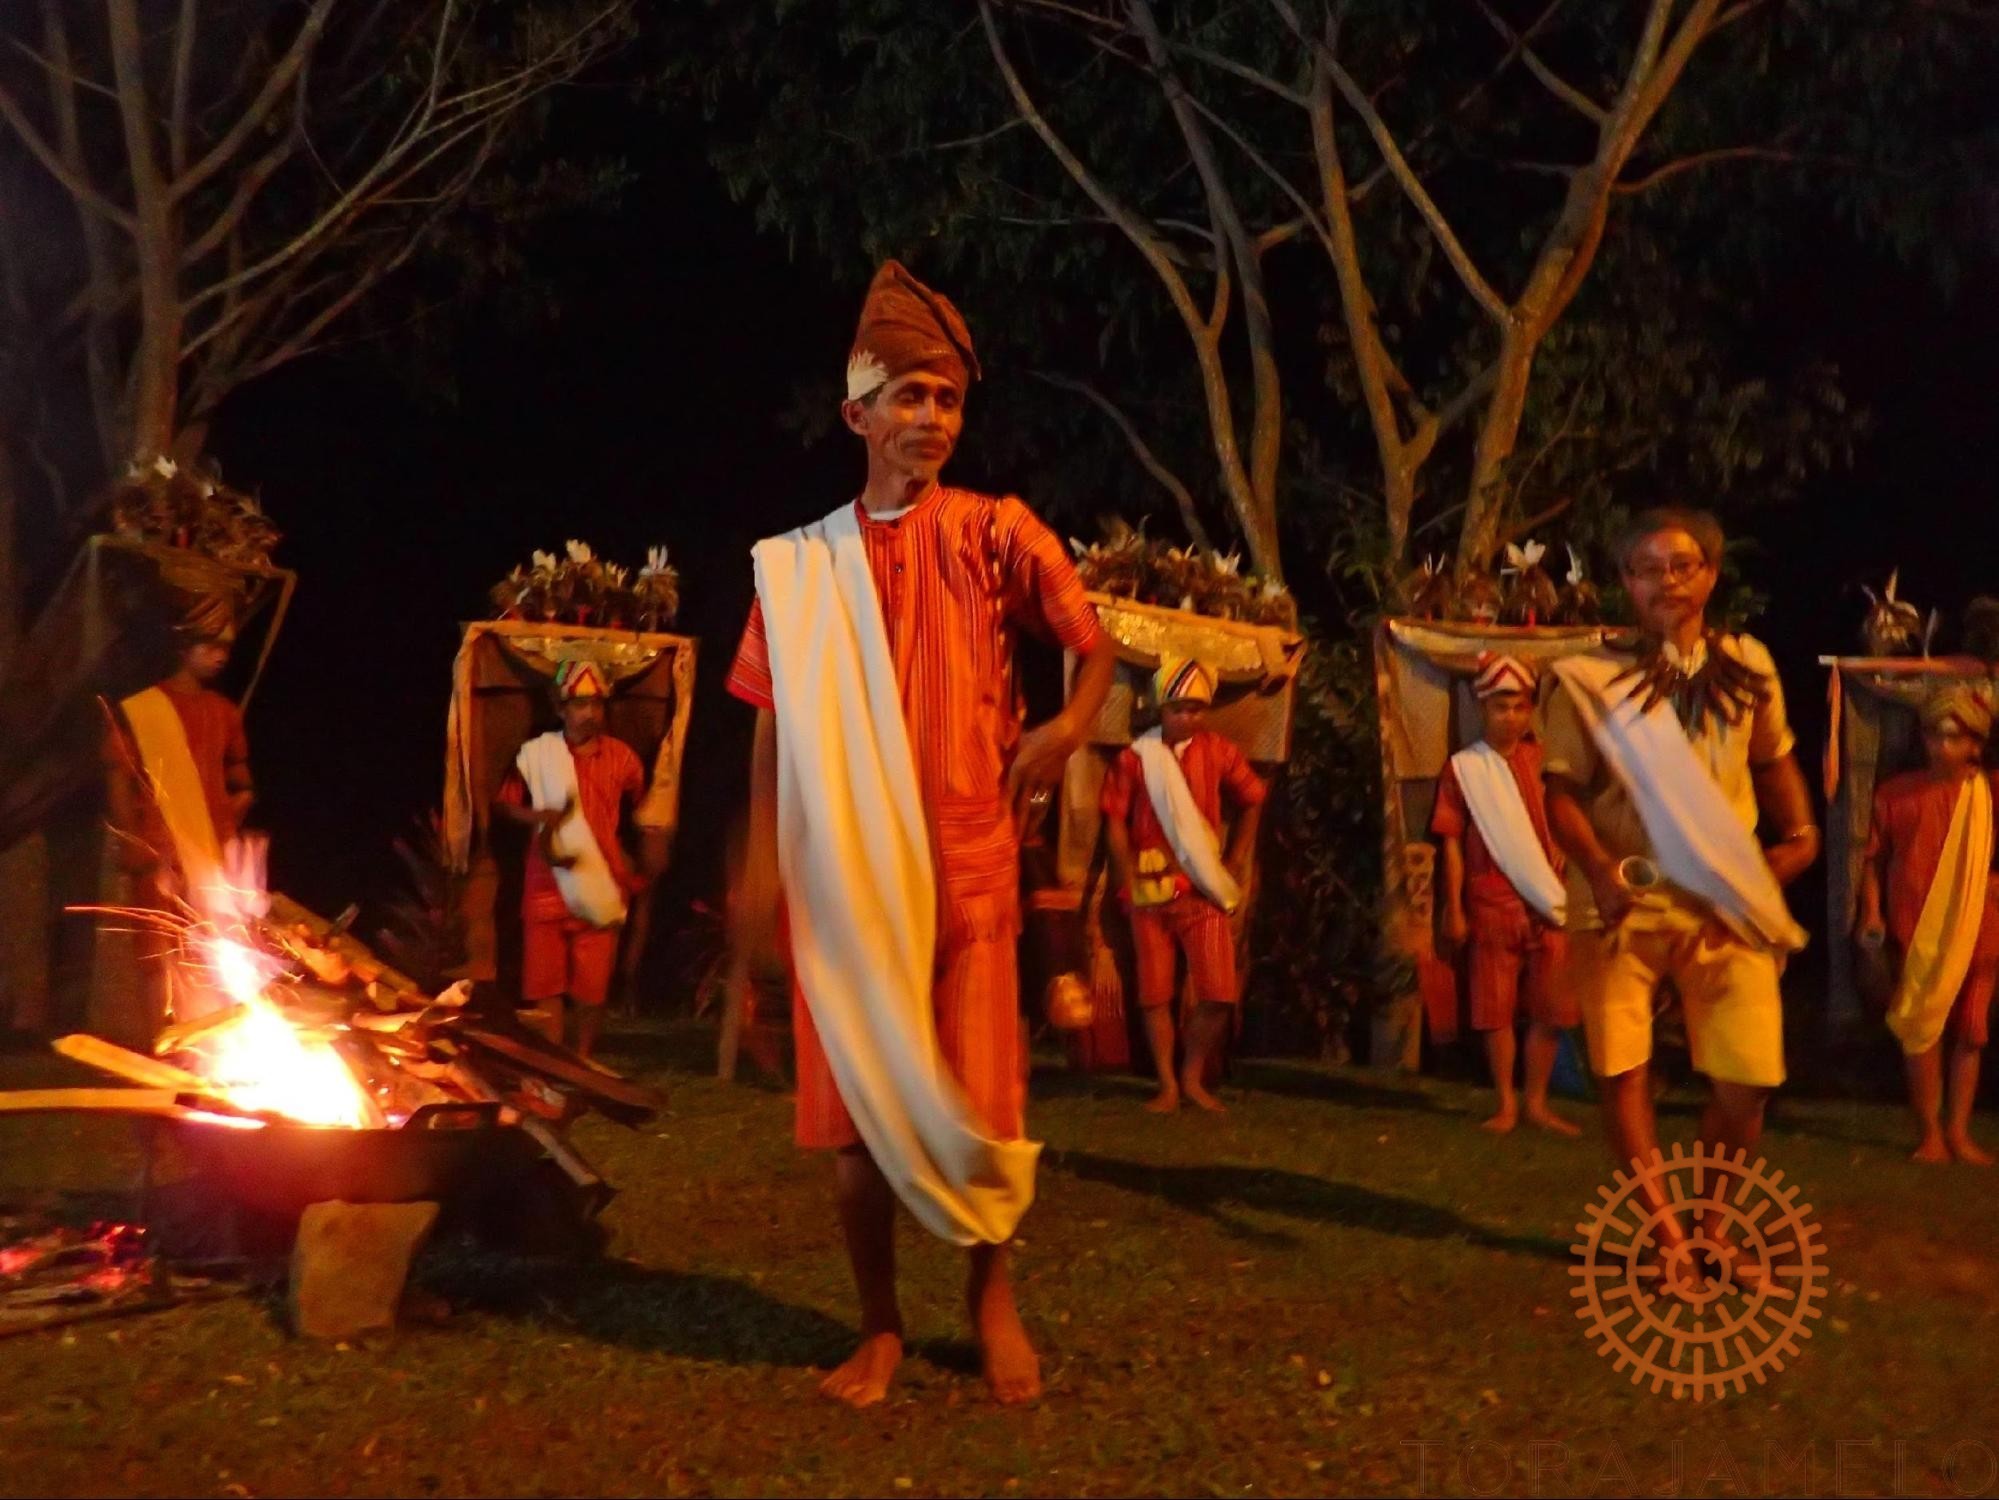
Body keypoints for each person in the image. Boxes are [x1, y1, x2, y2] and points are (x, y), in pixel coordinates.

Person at [728, 260, 1117, 1407]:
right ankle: (881, 1325)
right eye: (908, 396)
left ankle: (991, 1306)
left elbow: (1089, 644)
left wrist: (1065, 729)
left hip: (972, 862)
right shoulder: (797, 570)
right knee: (853, 1116)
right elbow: (769, 726)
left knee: (985, 1106)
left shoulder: (996, 532)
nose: (931, 419)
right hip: (843, 872)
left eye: (946, 399)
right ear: (857, 414)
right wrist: (760, 859)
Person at [1542, 507, 1818, 1283]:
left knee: (1749, 1078)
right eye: (1648, 568)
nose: (1667, 580)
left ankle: (1713, 1229)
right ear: (1624, 582)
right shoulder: (1587, 680)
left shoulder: (1750, 666)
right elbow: (1558, 792)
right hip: (1621, 896)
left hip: (1723, 898)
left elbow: (1775, 761)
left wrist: (1798, 836)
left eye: (1682, 564)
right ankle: (1670, 1243)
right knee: (1623, 1069)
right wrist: (1599, 869)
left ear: (1709, 574)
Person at [1101, 655, 1264, 1114]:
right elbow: (1114, 818)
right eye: (1178, 709)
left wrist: (1234, 858)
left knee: (1217, 991)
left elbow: (1253, 798)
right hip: (1149, 891)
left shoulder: (1219, 752)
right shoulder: (1135, 759)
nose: (1187, 717)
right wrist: (1123, 874)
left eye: (1196, 709)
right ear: (1161, 709)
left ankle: (1191, 1076)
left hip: (1201, 888)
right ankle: (1168, 1084)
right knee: (1154, 993)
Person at [1430, 653, 1577, 1136]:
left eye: (1517, 707)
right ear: (1482, 709)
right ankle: (1506, 1103)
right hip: (1492, 901)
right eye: (1499, 707)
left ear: (1530, 709)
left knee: (1548, 1007)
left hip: (1551, 900)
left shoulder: (1550, 761)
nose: (1509, 717)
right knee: (1495, 1009)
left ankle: (1536, 1102)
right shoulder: (1465, 769)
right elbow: (1450, 840)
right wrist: (1453, 909)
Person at [1857, 684, 1999, 1165]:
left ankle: (1959, 1132)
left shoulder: (1991, 794)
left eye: (1955, 737)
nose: (1943, 746)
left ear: (1975, 744)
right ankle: (1930, 1134)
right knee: (1923, 1029)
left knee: (1969, 1031)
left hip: (1980, 928)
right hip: (1915, 927)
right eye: (1935, 735)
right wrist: (1871, 912)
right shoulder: (1897, 795)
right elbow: (1873, 861)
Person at [103, 592, 254, 1024]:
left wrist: (223, 829)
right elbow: (119, 779)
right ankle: (161, 1046)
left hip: (209, 856)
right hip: (156, 851)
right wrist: (135, 842)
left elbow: (242, 785)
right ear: (183, 647)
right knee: (157, 952)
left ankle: (209, 1044)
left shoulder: (224, 713)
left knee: (212, 950)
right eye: (210, 646)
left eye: (226, 647)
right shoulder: (140, 709)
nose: (221, 656)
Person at [496, 659, 652, 1059]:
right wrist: (539, 817)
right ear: (560, 709)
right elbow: (506, 804)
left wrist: (639, 856)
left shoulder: (623, 759)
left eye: (596, 705)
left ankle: (581, 1059)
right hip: (546, 880)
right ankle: (554, 1061)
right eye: (579, 705)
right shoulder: (537, 754)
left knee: (591, 986)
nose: (589, 713)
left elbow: (648, 810)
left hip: (600, 879)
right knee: (546, 983)